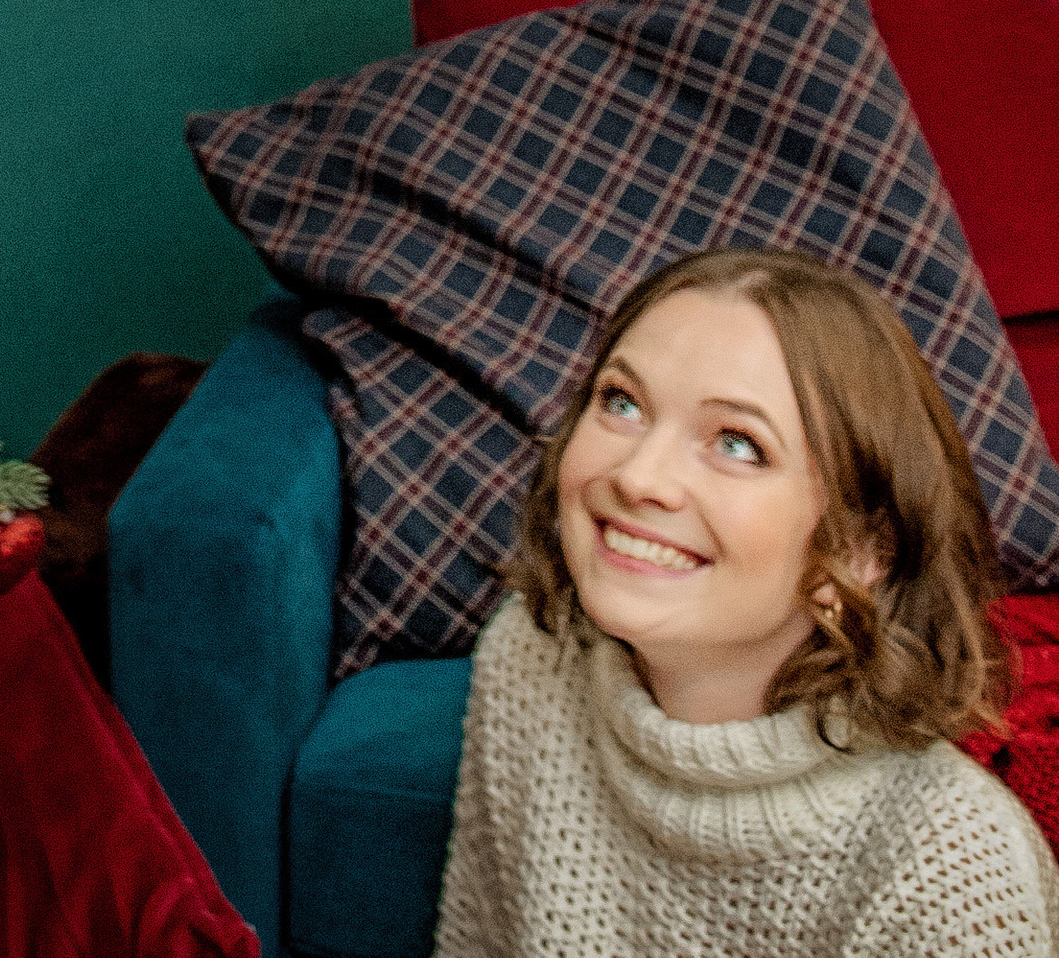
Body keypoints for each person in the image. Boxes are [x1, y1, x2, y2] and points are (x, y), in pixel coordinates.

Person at [434, 244, 1059, 956]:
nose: (641, 476)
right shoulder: (529, 659)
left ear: (859, 552)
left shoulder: (952, 875)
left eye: (737, 443)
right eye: (622, 402)